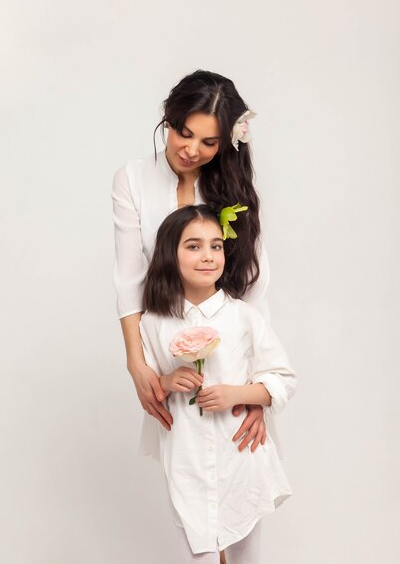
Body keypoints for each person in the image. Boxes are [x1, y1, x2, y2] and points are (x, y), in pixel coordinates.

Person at [112, 69, 271, 452]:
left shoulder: (233, 191)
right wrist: (137, 364)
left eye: (209, 142)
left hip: (232, 356)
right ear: (169, 117)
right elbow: (129, 280)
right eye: (184, 133)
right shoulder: (132, 179)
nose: (192, 150)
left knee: (240, 467)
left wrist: (255, 388)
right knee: (186, 471)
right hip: (170, 352)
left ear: (227, 142)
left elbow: (254, 285)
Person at [140, 205, 297, 563]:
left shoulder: (243, 316)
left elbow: (282, 377)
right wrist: (167, 379)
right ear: (170, 252)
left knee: (246, 557)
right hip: (186, 459)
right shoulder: (153, 323)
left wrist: (237, 394)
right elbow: (148, 388)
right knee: (199, 553)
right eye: (193, 246)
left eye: (215, 246)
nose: (208, 256)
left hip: (241, 456)